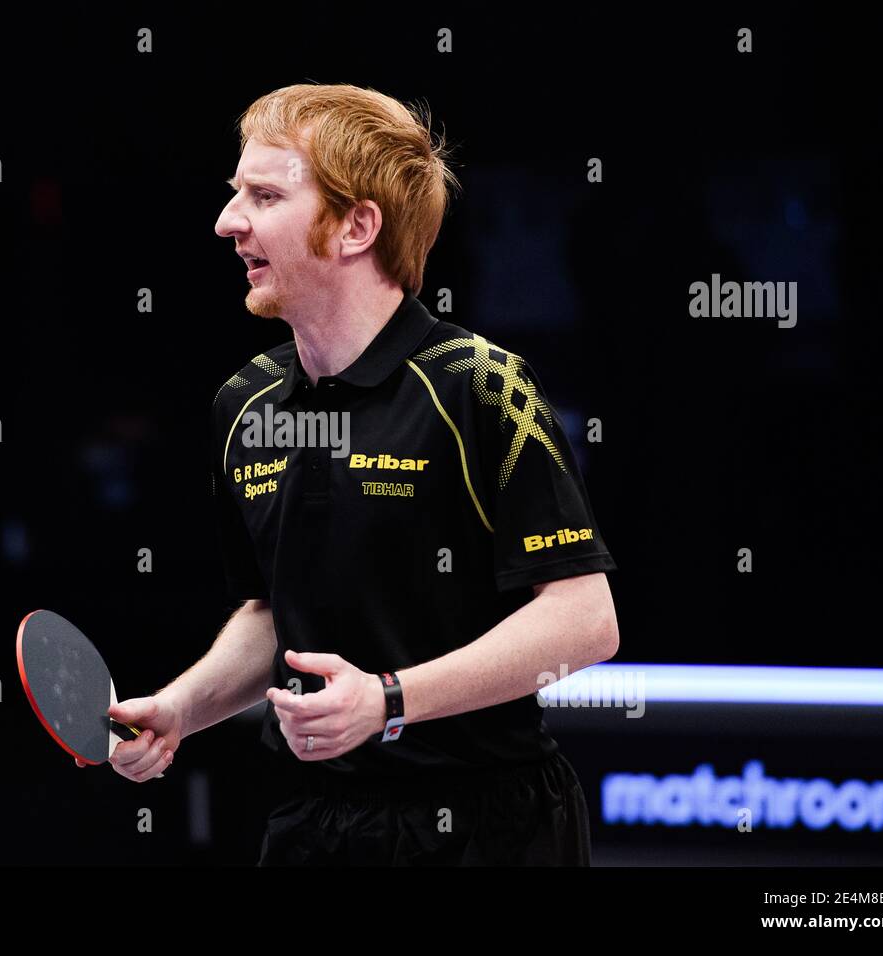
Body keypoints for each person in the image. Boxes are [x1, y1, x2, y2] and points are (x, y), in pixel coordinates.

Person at [102, 83, 619, 866]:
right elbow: (272, 611)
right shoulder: (245, 405)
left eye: (264, 194)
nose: (227, 221)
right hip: (318, 823)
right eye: (235, 192)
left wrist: (389, 701)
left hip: (490, 825)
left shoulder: (480, 386)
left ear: (356, 226)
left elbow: (586, 621)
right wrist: (181, 706)